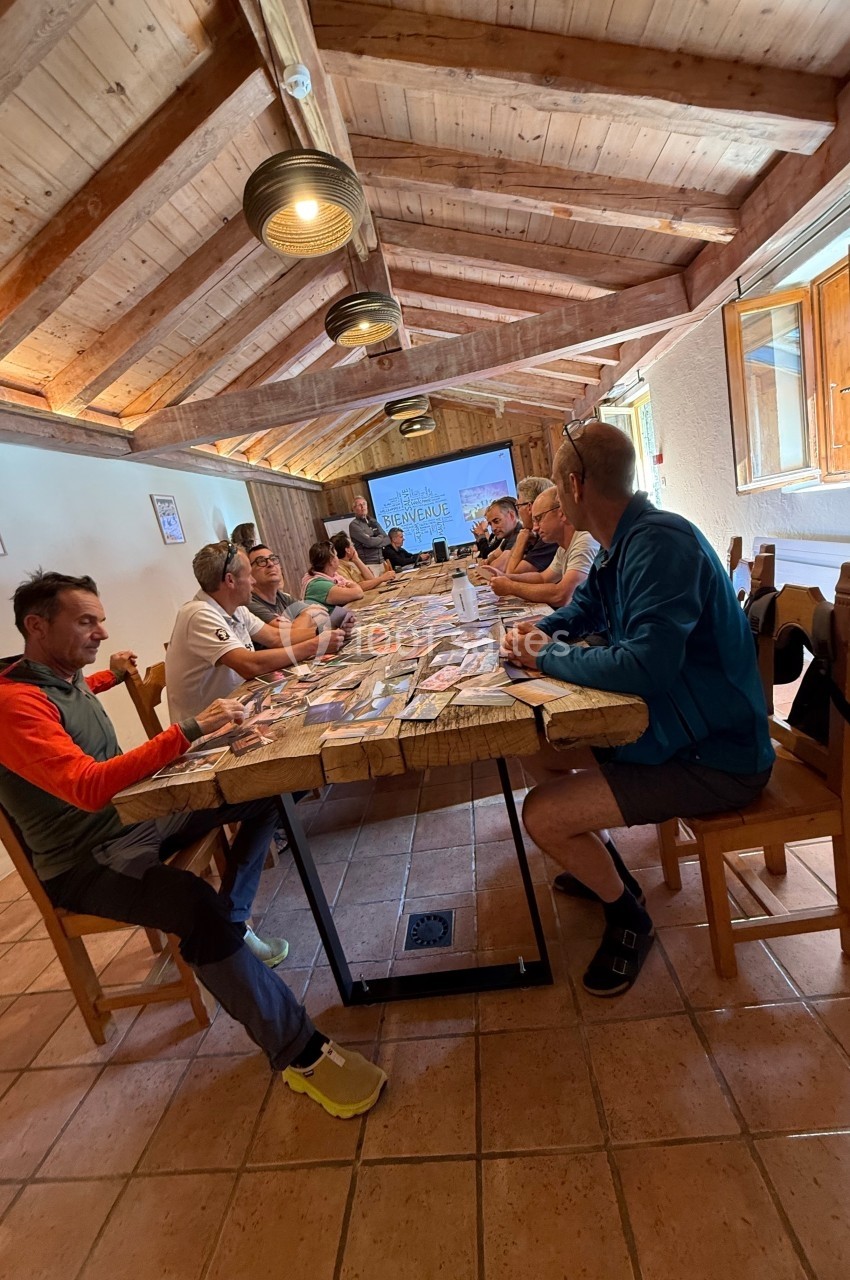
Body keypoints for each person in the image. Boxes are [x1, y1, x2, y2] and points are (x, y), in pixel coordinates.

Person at [0, 571, 387, 1117]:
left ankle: (233, 920)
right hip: (86, 862)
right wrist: (188, 731)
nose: (102, 633)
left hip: (134, 817)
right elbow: (87, 787)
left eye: (102, 620)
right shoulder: (13, 704)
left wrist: (110, 679)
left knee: (268, 789)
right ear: (37, 627)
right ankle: (300, 1052)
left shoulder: (58, 677)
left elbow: (78, 695)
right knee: (192, 907)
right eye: (87, 622)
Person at [504, 421, 774, 998]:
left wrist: (545, 657)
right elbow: (582, 610)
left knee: (542, 815)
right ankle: (601, 865)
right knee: (534, 747)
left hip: (718, 758)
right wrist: (539, 631)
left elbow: (644, 668)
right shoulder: (623, 541)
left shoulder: (659, 542)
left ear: (574, 485)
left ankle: (629, 915)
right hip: (674, 733)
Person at [166, 541, 344, 723]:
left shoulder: (235, 608)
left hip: (238, 709)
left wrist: (327, 631)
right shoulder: (198, 614)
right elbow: (249, 666)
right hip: (206, 733)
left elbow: (276, 638)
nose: (253, 581)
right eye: (249, 575)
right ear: (230, 580)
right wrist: (314, 646)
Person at [484, 489, 597, 612]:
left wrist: (511, 587)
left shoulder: (585, 540)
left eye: (539, 518)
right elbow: (543, 578)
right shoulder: (562, 547)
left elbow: (562, 596)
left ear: (562, 513)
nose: (536, 528)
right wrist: (505, 576)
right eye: (534, 521)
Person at [247, 544, 332, 644]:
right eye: (261, 561)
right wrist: (308, 614)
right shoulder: (249, 603)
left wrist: (298, 623)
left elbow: (322, 616)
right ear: (249, 573)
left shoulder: (282, 597)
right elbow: (290, 635)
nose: (270, 564)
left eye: (273, 559)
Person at [503, 477, 560, 575]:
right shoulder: (535, 534)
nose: (518, 511)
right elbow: (506, 570)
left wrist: (521, 541)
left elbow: (511, 574)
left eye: (519, 506)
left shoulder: (550, 537)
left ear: (529, 507)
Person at [302, 542, 365, 607]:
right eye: (336, 555)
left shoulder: (333, 576)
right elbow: (358, 593)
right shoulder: (318, 584)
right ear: (331, 561)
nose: (338, 559)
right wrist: (350, 584)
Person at [472, 498, 520, 566]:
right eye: (490, 524)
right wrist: (487, 562)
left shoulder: (519, 532)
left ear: (512, 516)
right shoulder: (507, 536)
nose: (493, 528)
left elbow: (497, 566)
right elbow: (492, 556)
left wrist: (482, 535)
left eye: (496, 521)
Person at [348, 495, 388, 568]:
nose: (363, 507)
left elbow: (387, 539)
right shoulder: (354, 525)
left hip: (382, 561)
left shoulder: (373, 521)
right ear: (354, 509)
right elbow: (370, 542)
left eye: (364, 504)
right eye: (359, 505)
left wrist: (373, 543)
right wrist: (380, 538)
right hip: (368, 565)